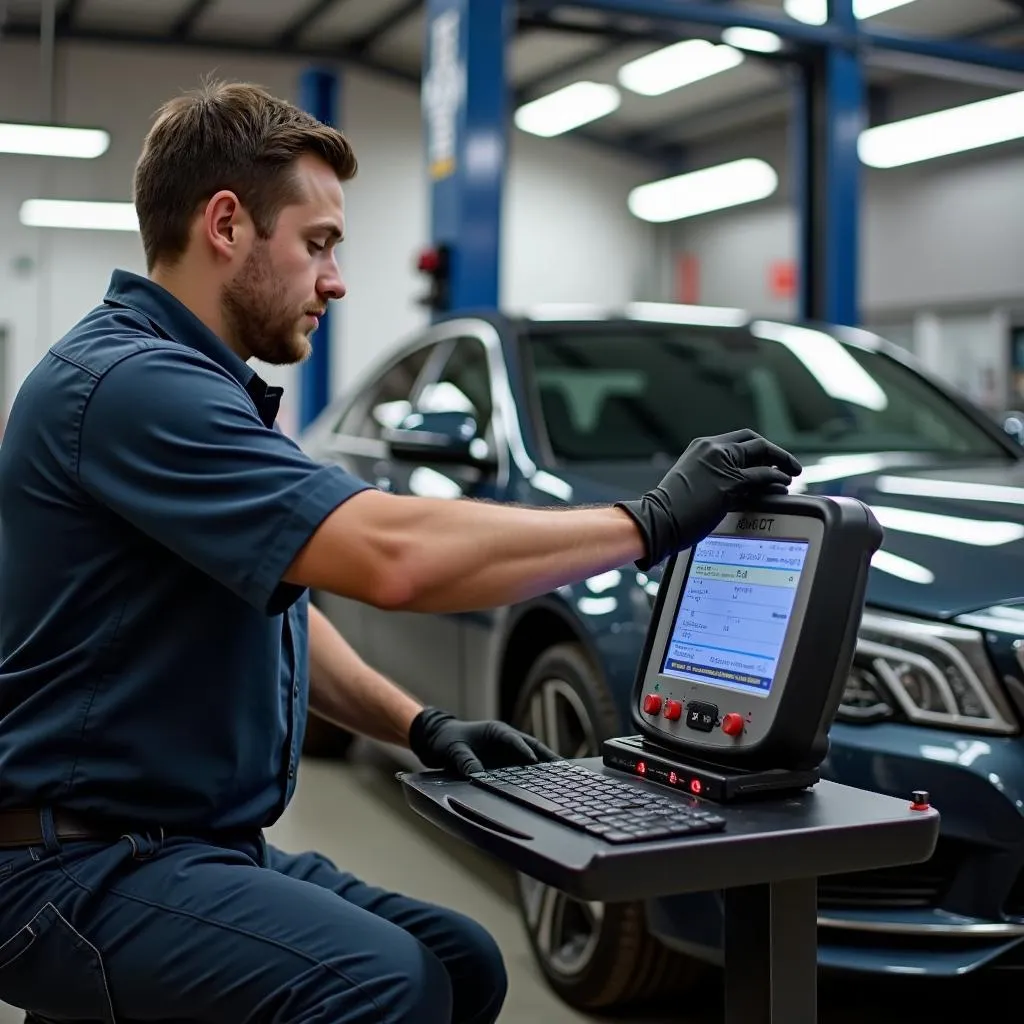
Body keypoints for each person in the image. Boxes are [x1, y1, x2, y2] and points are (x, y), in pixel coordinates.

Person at [0, 80, 801, 1024]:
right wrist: (651, 521)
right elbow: (393, 558)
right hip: (73, 870)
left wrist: (421, 726)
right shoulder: (133, 385)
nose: (336, 280)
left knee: (460, 960)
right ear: (226, 224)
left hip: (177, 843)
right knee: (388, 986)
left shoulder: (186, 383)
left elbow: (282, 611)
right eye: (319, 244)